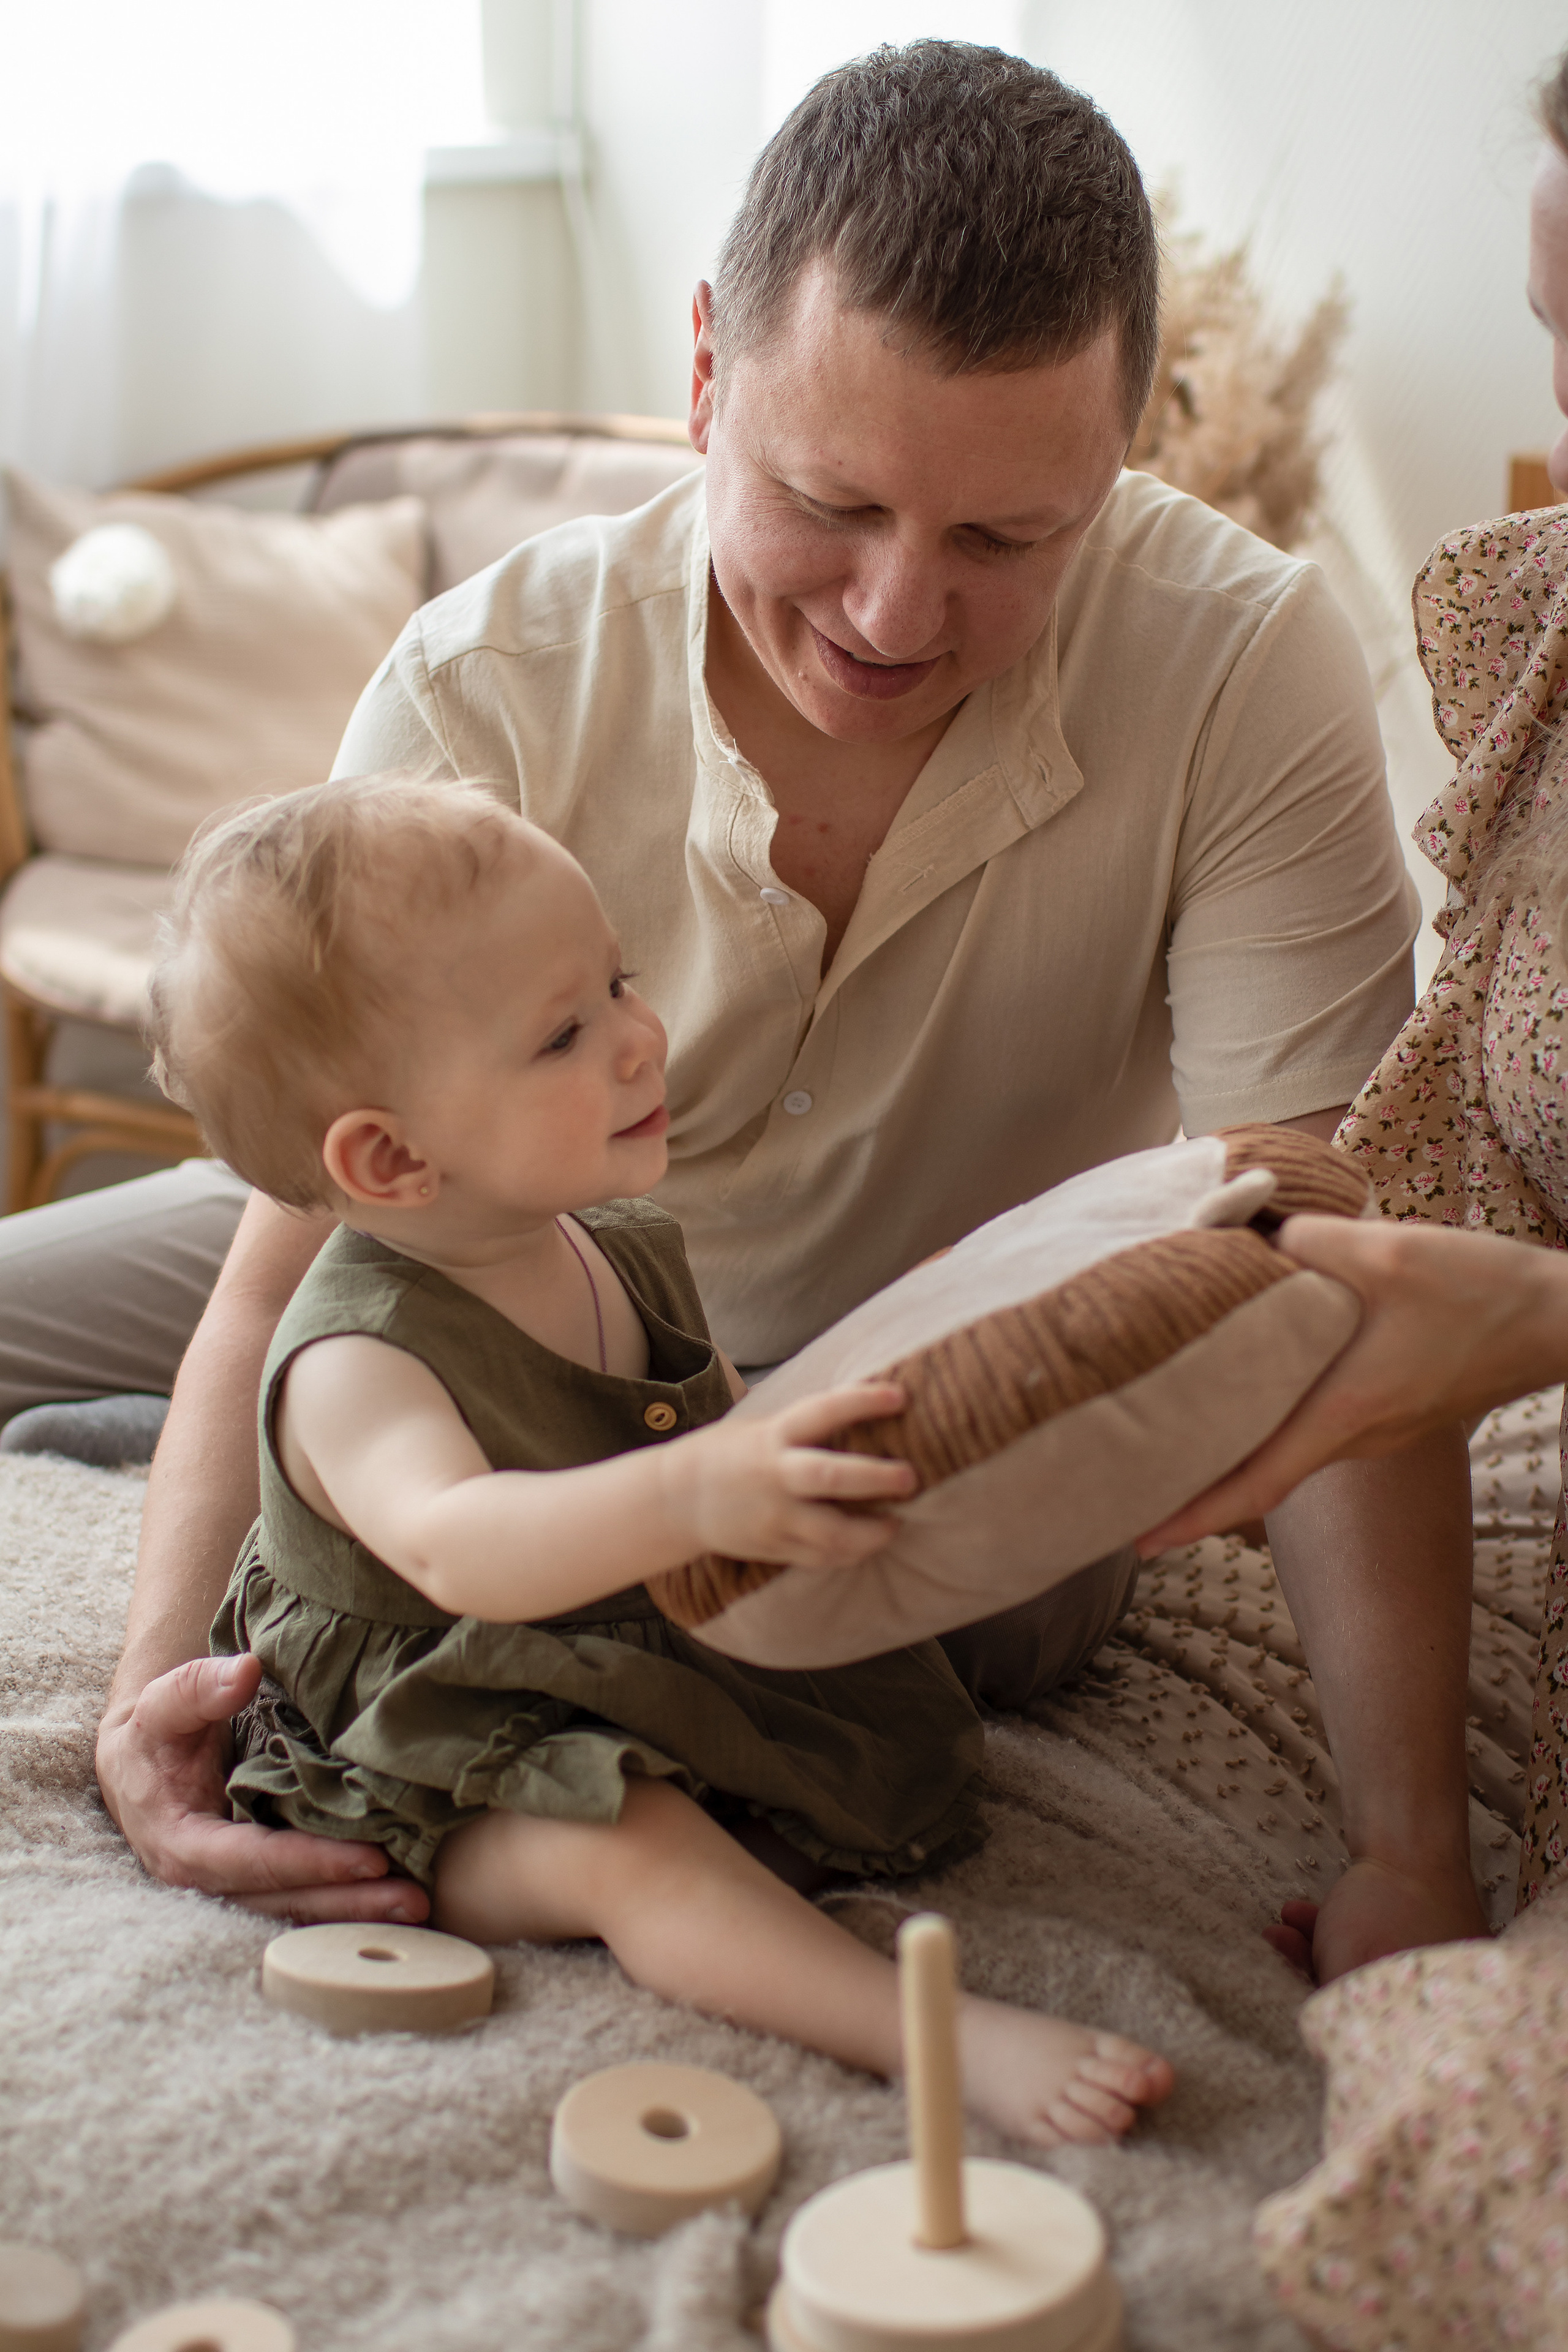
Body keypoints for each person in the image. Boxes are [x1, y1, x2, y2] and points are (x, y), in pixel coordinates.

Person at [36, 43, 1469, 1977]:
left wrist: (1409, 1849)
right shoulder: (485, 687)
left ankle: (290, 1482)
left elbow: (1326, 1261)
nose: (889, 613)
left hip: (866, 1450)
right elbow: (282, 1264)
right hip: (487, 1266)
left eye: (1000, 540)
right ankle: (210, 1465)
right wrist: (152, 1693)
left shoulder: (1243, 663)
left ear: (1121, 462)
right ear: (705, 370)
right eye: (825, 499)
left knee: (783, 1611)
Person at [147, 770, 1174, 2146]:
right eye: (564, 1033)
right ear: (390, 1160)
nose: (641, 1038)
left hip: (612, 1630)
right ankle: (938, 2039)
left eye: (618, 983)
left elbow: (715, 1422)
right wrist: (695, 1491)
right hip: (438, 1733)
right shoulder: (355, 1358)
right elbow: (464, 1546)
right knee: (634, 1851)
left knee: (841, 1712)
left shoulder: (612, 1238)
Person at [1134, 48, 1568, 2348]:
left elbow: (1509, 1293)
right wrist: (1415, 1845)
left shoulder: (1228, 651)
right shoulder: (1540, 641)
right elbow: (1416, 1214)